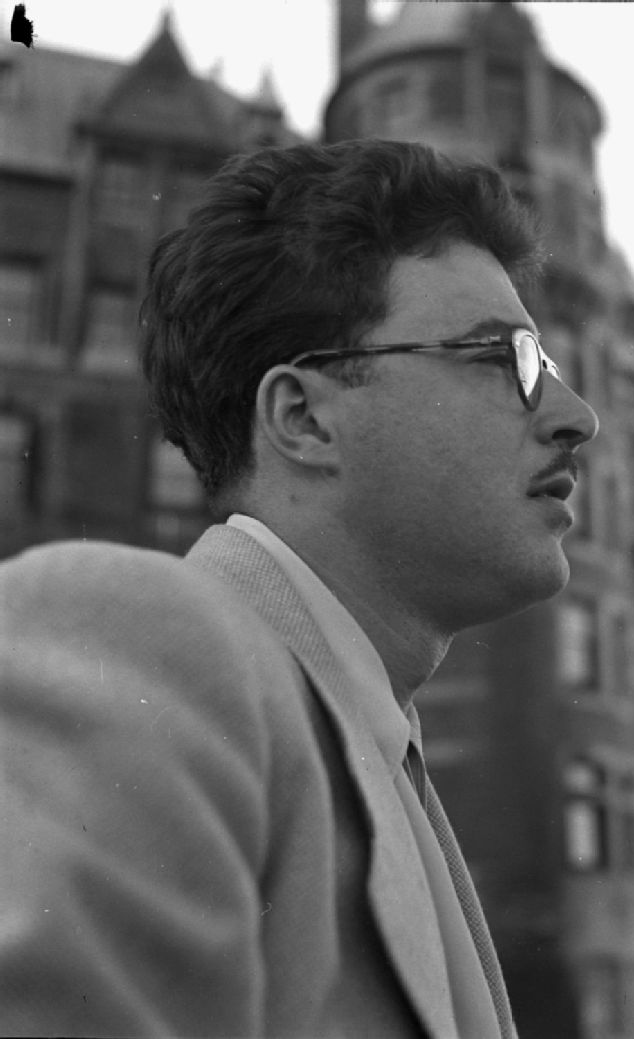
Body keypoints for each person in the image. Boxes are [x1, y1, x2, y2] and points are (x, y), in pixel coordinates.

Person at [0, 139, 598, 1038]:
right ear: (304, 417)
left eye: (543, 365)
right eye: (501, 357)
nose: (576, 416)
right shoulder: (141, 639)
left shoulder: (376, 745)